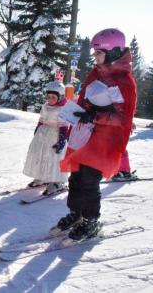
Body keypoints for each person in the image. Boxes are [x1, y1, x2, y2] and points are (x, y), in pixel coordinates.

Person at [56, 28, 137, 241]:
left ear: (113, 52)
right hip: (86, 135)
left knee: (90, 180)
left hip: (105, 140)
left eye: (99, 52)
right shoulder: (97, 72)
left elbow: (123, 118)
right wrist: (77, 110)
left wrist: (95, 116)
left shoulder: (124, 81)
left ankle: (91, 221)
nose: (95, 56)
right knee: (76, 176)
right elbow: (84, 98)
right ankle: (76, 213)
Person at [23, 81, 69, 195]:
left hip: (56, 135)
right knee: (41, 155)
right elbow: (41, 119)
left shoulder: (62, 108)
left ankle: (57, 181)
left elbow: (64, 125)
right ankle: (42, 177)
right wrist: (37, 129)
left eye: (54, 97)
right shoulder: (45, 106)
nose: (50, 99)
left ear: (60, 97)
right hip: (43, 134)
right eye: (49, 97)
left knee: (54, 158)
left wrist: (62, 139)